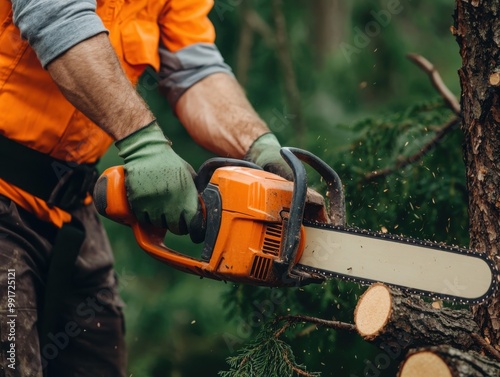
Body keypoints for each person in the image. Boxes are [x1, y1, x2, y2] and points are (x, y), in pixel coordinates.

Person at [0, 0, 292, 376]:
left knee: (96, 360)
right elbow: (57, 15)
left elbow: (195, 70)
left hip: (70, 206)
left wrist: (259, 145)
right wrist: (144, 144)